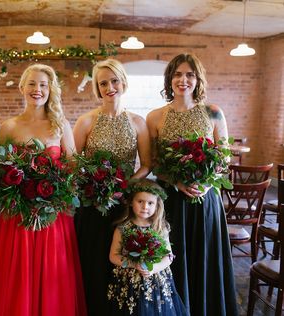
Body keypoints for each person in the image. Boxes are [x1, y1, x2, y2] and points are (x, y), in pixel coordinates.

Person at [0, 63, 87, 316]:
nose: (37, 89)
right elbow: (2, 171)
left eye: (43, 85)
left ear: (50, 89)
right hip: (18, 215)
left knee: (53, 273)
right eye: (32, 83)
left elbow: (73, 166)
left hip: (52, 214)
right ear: (22, 87)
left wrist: (58, 194)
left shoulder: (60, 125)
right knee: (19, 273)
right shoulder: (9, 127)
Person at [146, 53, 238, 316]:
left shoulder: (213, 112)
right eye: (177, 74)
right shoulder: (155, 117)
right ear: (169, 79)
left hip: (206, 198)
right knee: (174, 257)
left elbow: (224, 156)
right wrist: (176, 181)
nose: (183, 80)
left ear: (198, 79)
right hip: (171, 200)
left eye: (189, 74)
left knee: (204, 258)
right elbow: (154, 161)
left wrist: (208, 183)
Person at [72, 58, 151, 315]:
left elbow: (147, 164)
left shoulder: (138, 122)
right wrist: (93, 185)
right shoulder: (86, 121)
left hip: (125, 205)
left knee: (121, 262)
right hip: (93, 205)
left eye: (114, 80)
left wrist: (127, 186)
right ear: (97, 88)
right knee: (93, 261)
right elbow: (74, 164)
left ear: (123, 82)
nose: (109, 87)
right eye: (103, 83)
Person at [108, 179, 186, 315]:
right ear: (131, 202)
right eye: (140, 202)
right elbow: (113, 256)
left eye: (150, 203)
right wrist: (133, 264)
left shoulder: (160, 228)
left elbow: (168, 257)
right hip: (129, 283)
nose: (145, 207)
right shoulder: (122, 228)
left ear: (157, 206)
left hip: (156, 281)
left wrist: (154, 268)